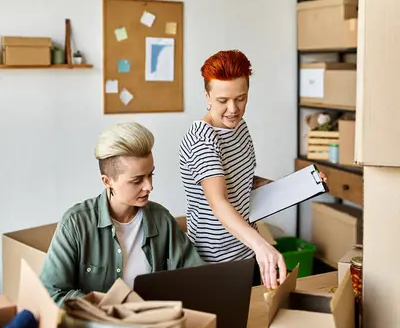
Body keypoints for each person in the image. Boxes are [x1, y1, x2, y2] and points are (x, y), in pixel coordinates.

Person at [179, 50, 325, 290]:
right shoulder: (202, 140)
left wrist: (301, 185)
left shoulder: (238, 127)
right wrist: (262, 246)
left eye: (241, 98)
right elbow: (219, 202)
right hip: (214, 261)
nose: (233, 109)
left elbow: (241, 179)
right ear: (207, 96)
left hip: (245, 249)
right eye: (222, 101)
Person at [40, 122, 203, 306]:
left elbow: (196, 277)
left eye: (150, 175)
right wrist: (105, 307)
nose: (149, 186)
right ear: (107, 181)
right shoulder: (76, 224)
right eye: (137, 180)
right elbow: (50, 293)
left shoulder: (161, 219)